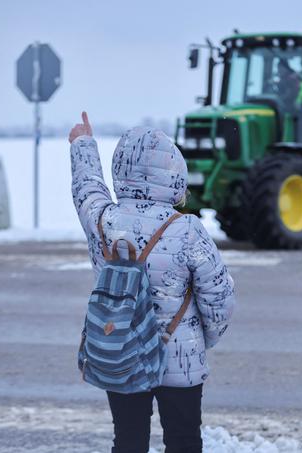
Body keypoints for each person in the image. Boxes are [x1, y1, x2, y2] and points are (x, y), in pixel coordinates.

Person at [68, 112, 235, 453]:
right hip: (180, 357)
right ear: (174, 173)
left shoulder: (104, 220)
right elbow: (219, 297)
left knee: (128, 440)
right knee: (184, 440)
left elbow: (87, 190)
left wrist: (82, 145)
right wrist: (204, 339)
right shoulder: (187, 229)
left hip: (122, 350)